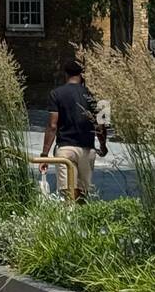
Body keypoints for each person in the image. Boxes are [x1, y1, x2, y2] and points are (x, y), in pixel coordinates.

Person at [40, 60, 108, 201]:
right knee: (83, 196)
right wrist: (103, 146)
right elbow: (102, 126)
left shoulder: (56, 94)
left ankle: (70, 221)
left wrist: (44, 155)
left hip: (65, 149)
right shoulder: (97, 96)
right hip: (87, 150)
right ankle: (81, 221)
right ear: (82, 75)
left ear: (66, 74)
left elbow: (52, 126)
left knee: (68, 195)